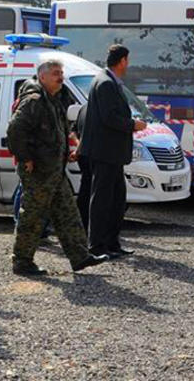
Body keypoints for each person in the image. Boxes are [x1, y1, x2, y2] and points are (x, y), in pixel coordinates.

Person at [6, 59, 108, 276]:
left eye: (61, 72)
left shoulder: (52, 99)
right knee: (32, 217)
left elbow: (57, 131)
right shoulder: (33, 100)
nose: (60, 77)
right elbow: (15, 130)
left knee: (67, 212)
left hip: (54, 170)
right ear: (42, 77)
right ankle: (22, 261)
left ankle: (80, 257)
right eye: (55, 73)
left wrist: (66, 152)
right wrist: (26, 158)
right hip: (38, 172)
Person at [79, 45, 148, 259]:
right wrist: (132, 125)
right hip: (105, 152)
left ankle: (112, 243)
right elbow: (109, 118)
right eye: (128, 60)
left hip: (111, 153)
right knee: (102, 200)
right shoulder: (106, 83)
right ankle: (97, 245)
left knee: (117, 199)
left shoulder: (106, 81)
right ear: (123, 61)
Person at [72, 102, 92, 231]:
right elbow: (84, 135)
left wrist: (78, 148)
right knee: (88, 192)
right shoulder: (91, 110)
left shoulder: (84, 108)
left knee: (85, 190)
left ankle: (81, 226)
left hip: (84, 155)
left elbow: (73, 132)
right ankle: (83, 227)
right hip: (90, 156)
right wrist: (79, 149)